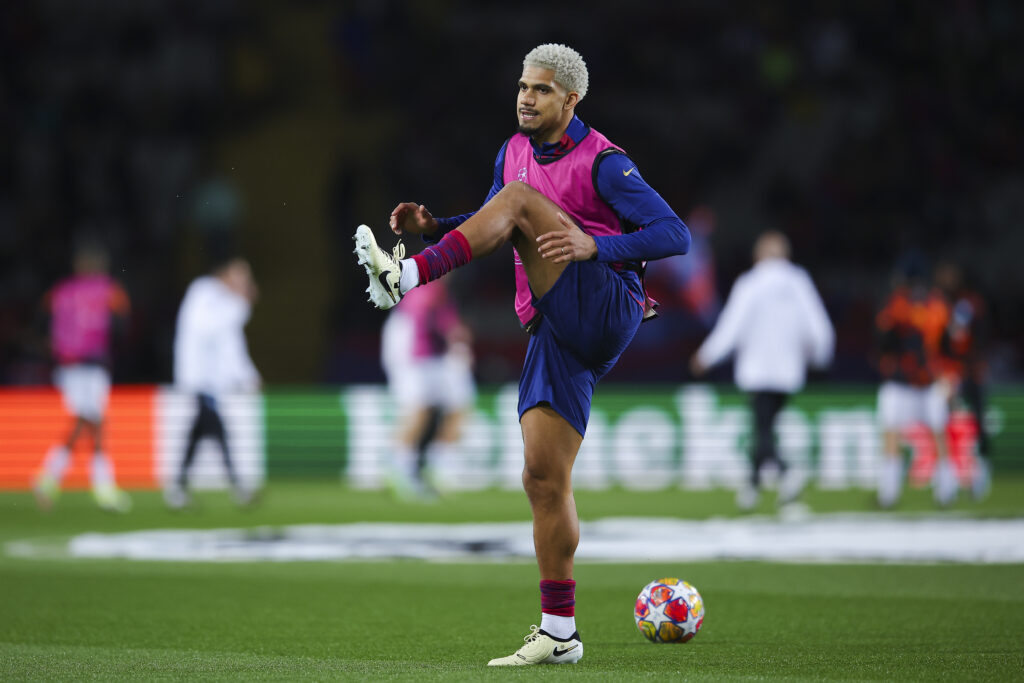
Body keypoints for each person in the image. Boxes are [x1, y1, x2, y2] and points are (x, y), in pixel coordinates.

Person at [353, 43, 690, 666]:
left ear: (571, 99)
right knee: (542, 478)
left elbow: (675, 234)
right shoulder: (512, 153)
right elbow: (494, 220)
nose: (525, 98)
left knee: (513, 199)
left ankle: (403, 278)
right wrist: (436, 225)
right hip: (554, 324)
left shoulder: (606, 162)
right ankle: (559, 634)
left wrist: (597, 249)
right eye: (521, 87)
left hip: (605, 300)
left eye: (539, 90)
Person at [690, 231, 834, 511]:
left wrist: (706, 356)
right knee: (765, 426)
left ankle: (786, 473)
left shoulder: (750, 283)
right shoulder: (798, 281)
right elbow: (817, 324)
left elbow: (731, 327)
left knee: (763, 429)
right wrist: (822, 355)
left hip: (757, 370)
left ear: (759, 254)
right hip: (789, 371)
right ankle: (752, 486)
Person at [33, 243, 133, 512]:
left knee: (88, 419)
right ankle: (99, 486)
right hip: (92, 362)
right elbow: (122, 323)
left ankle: (52, 479)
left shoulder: (61, 290)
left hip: (68, 363)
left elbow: (41, 321)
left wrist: (54, 347)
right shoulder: (109, 289)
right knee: (91, 420)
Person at [166, 256, 261, 509]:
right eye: (240, 276)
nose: (244, 283)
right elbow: (204, 328)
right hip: (197, 376)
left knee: (200, 432)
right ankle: (238, 487)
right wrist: (240, 306)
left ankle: (177, 489)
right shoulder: (203, 291)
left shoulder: (226, 303)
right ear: (226, 275)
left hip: (210, 381)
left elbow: (232, 346)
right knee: (216, 428)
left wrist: (248, 375)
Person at [380, 278, 475, 499]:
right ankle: (400, 471)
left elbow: (447, 323)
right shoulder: (424, 288)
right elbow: (423, 317)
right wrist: (455, 336)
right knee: (417, 409)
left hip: (433, 353)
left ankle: (440, 468)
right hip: (412, 352)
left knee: (458, 404)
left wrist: (455, 338)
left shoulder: (442, 292)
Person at [874, 255, 957, 508]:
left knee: (898, 432)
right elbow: (948, 345)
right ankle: (941, 490)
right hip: (917, 381)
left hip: (917, 380)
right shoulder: (939, 305)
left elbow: (884, 338)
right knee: (931, 433)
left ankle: (894, 492)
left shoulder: (899, 304)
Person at [934, 260, 992, 500]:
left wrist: (973, 364)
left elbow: (980, 335)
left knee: (977, 423)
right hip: (951, 372)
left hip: (971, 371)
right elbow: (940, 341)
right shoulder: (939, 304)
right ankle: (949, 481)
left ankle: (980, 476)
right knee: (945, 423)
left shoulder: (971, 303)